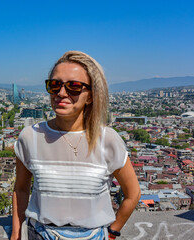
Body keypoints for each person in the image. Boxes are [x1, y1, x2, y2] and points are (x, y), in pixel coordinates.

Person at [11, 51, 140, 240]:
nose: (61, 93)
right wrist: (16, 233)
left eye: (74, 87)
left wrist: (111, 233)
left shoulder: (107, 139)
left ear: (90, 96)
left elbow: (133, 193)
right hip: (39, 233)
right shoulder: (30, 136)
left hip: (93, 235)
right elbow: (21, 188)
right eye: (54, 85)